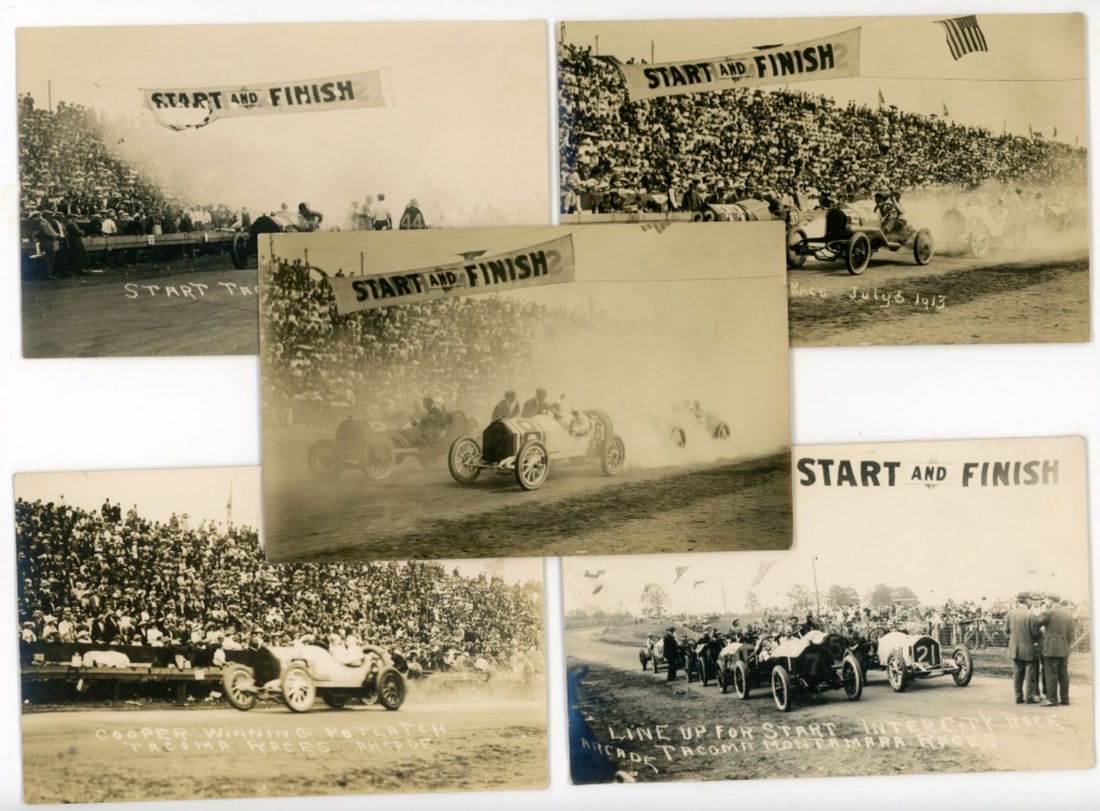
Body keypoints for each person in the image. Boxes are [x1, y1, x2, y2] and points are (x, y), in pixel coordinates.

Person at [1037, 594, 1074, 706]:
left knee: (1051, 674)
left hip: (1051, 648)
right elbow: (1071, 634)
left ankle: (1052, 699)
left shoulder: (1049, 612)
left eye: (1047, 600)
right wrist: (1064, 643)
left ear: (1050, 601)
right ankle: (1065, 698)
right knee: (1063, 674)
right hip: (1063, 647)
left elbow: (1037, 622)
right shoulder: (1068, 614)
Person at [1005, 592, 1040, 704]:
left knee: (1018, 673)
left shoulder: (1010, 613)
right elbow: (1036, 633)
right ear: (1027, 601)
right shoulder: (1031, 615)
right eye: (1030, 600)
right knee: (1030, 673)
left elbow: (1006, 631)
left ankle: (1018, 696)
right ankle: (1029, 697)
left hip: (1015, 648)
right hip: (1029, 648)